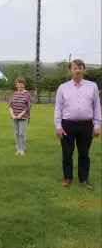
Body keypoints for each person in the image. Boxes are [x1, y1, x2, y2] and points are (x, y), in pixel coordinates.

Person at [54, 59, 101, 190]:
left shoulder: (92, 86)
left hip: (86, 125)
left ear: (83, 70)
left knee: (84, 153)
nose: (77, 70)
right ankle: (67, 178)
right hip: (67, 125)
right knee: (67, 152)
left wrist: (97, 125)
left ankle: (84, 179)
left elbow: (97, 106)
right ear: (71, 70)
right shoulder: (63, 88)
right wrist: (58, 126)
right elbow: (58, 107)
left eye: (80, 68)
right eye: (74, 68)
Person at [8, 77, 32, 156]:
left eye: (21, 84)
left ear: (24, 85)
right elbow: (10, 106)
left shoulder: (27, 94)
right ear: (16, 85)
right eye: (18, 84)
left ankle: (22, 149)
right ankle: (18, 149)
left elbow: (28, 107)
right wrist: (13, 115)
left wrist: (20, 115)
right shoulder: (13, 94)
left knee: (22, 133)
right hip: (14, 117)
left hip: (24, 117)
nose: (19, 86)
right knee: (16, 133)